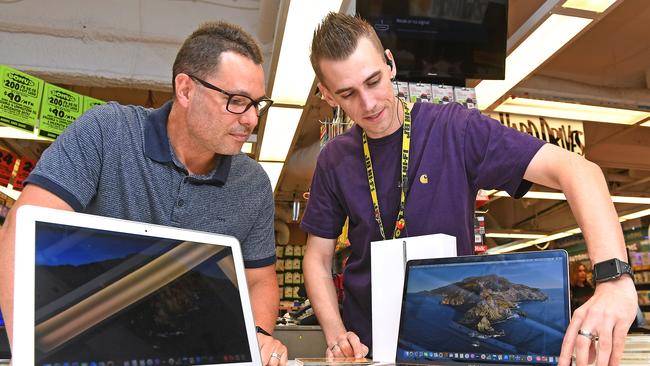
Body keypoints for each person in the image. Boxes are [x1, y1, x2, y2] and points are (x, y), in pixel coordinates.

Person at [300, 12, 637, 366]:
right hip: (366, 349)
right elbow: (317, 257)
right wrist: (337, 335)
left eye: (373, 81)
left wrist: (614, 278)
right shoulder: (335, 158)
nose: (368, 104)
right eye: (348, 93)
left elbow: (578, 171)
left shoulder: (455, 129)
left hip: (452, 347)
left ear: (390, 64)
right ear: (327, 94)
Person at [0, 21, 288, 366]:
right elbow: (21, 234)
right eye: (238, 101)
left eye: (258, 104)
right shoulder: (106, 132)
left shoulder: (253, 183)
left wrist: (258, 335)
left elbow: (260, 280)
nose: (252, 119)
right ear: (185, 90)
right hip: (92, 345)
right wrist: (29, 355)